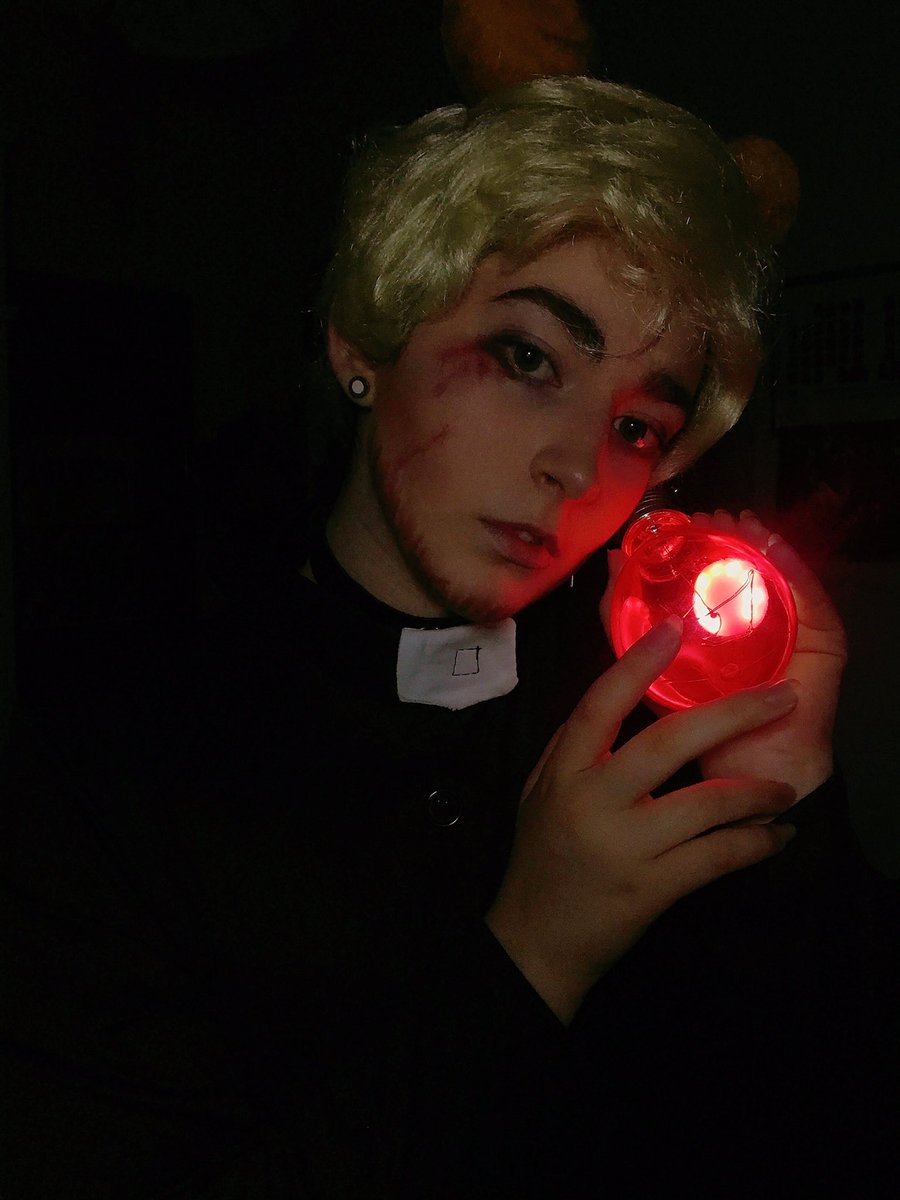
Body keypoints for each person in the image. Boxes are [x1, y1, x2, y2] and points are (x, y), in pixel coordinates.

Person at [2, 76, 896, 1198]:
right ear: (365, 336)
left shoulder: (651, 725)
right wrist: (534, 954)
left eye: (636, 424)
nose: (578, 468)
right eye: (529, 358)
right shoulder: (100, 766)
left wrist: (788, 793)